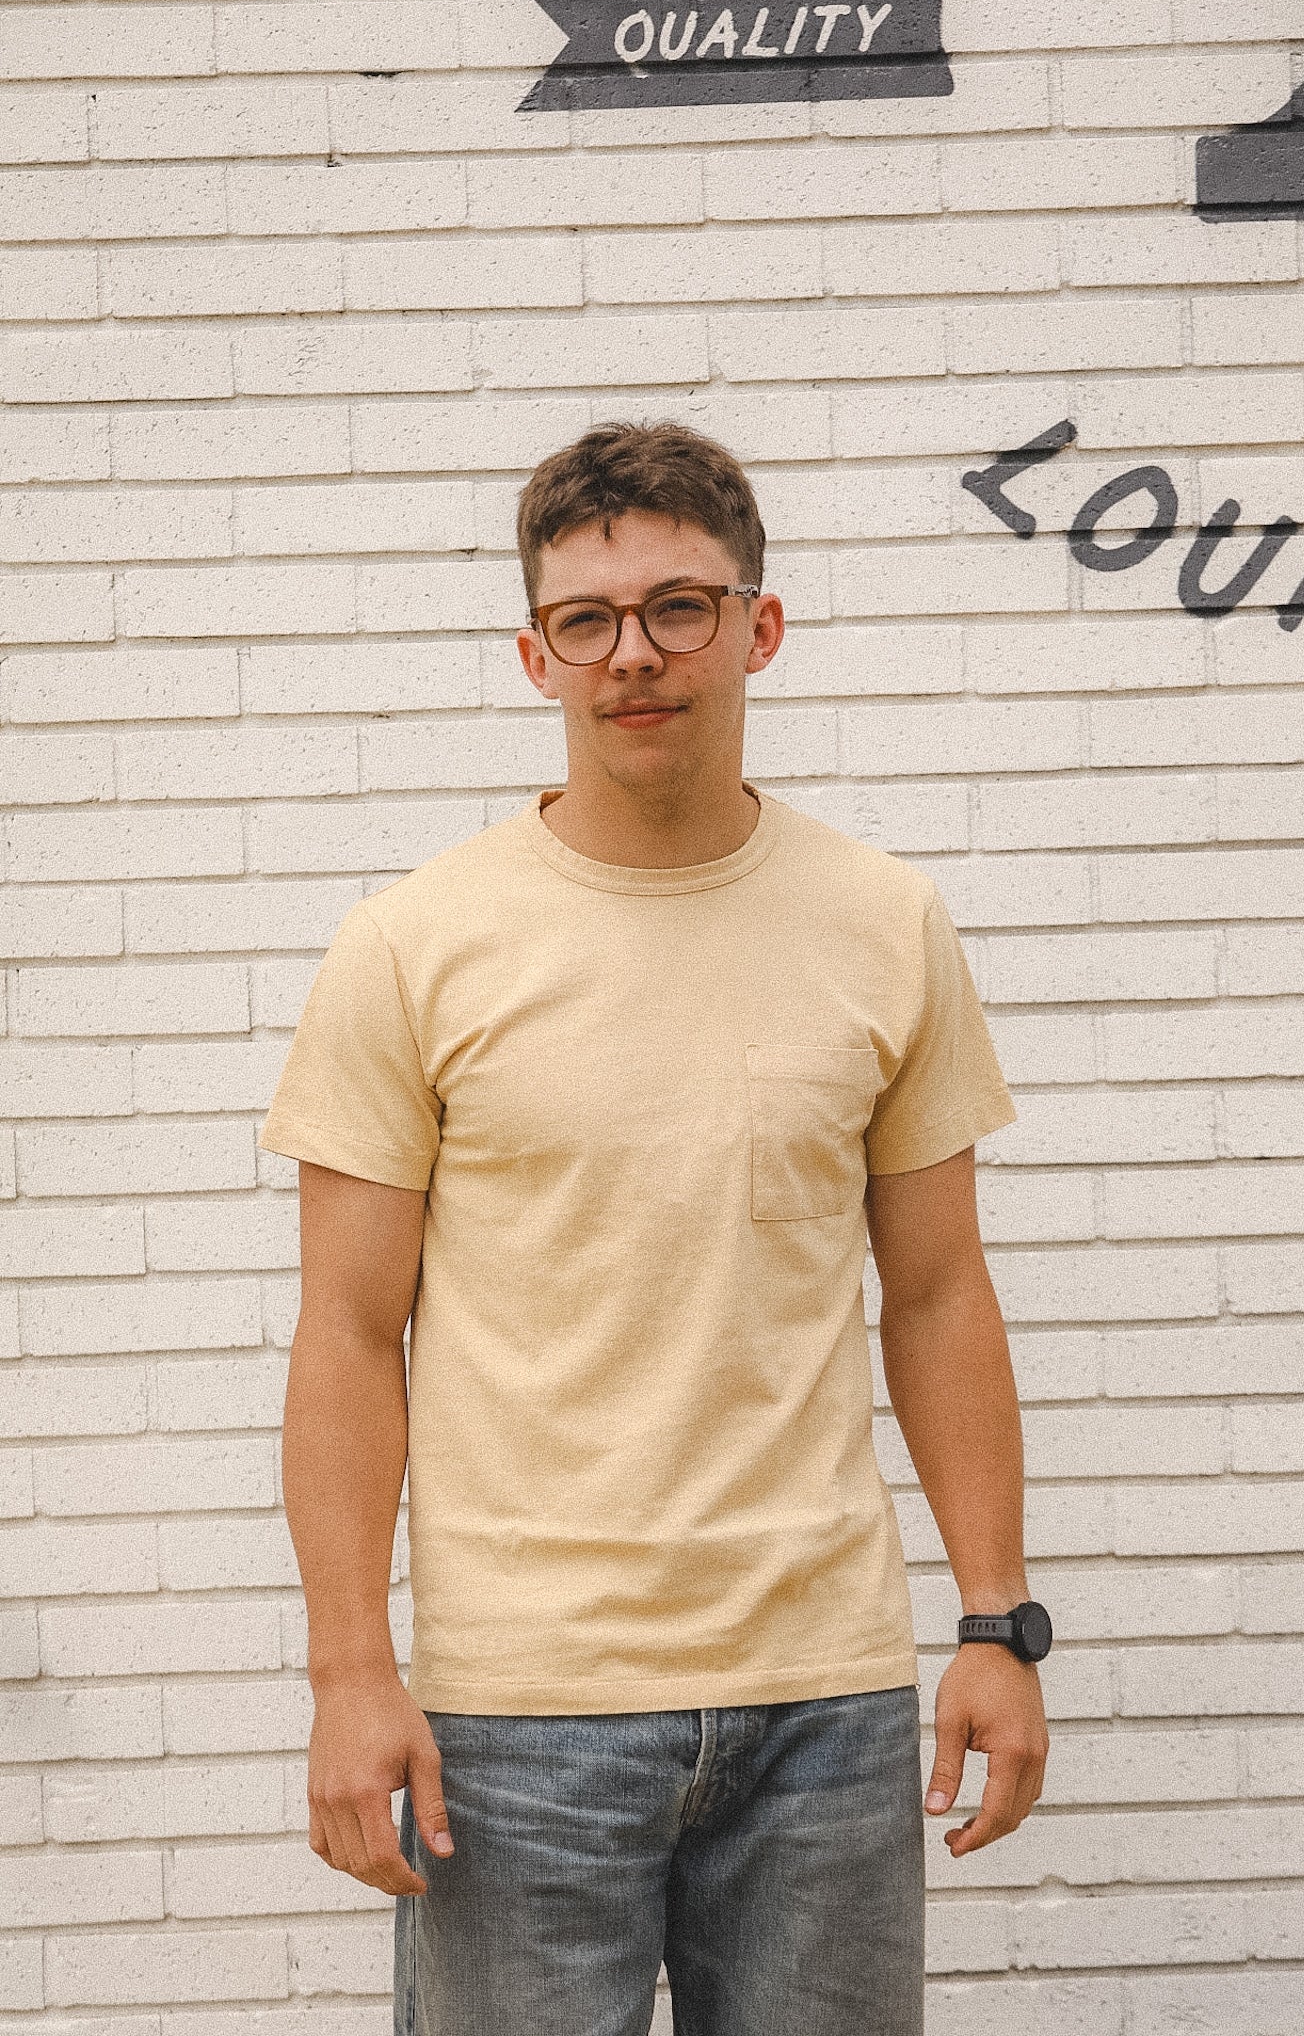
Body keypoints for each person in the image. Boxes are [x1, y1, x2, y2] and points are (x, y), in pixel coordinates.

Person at [259, 421, 1050, 2036]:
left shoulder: (882, 922)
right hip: (514, 1719)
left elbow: (937, 1293)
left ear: (760, 627)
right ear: (533, 653)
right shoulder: (414, 946)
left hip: (822, 1699)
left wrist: (996, 1624)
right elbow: (346, 1333)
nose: (633, 655)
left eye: (679, 607)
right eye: (587, 620)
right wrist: (350, 1672)